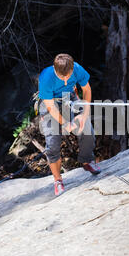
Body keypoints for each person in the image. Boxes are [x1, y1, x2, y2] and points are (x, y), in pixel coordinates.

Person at [38, 53, 101, 196]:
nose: (66, 80)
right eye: (62, 77)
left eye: (69, 76)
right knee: (52, 144)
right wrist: (66, 123)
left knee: (87, 130)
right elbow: (50, 107)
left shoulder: (77, 69)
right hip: (51, 103)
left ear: (72, 68)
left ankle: (86, 161)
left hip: (70, 98)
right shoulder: (46, 77)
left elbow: (86, 90)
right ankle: (58, 180)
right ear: (55, 70)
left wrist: (84, 114)